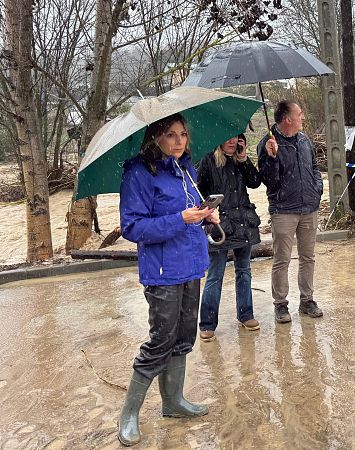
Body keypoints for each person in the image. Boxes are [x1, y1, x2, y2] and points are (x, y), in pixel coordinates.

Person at [117, 113, 219, 446]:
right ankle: (129, 414)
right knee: (161, 340)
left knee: (184, 337)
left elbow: (191, 211)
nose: (178, 141)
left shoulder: (186, 169)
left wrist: (205, 216)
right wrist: (180, 218)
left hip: (192, 264)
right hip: (162, 271)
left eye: (183, 135)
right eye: (170, 135)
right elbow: (132, 228)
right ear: (155, 137)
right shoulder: (138, 173)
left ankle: (173, 402)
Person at [257, 100, 324, 323]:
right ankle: (281, 305)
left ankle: (307, 300)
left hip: (309, 207)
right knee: (282, 259)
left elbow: (314, 166)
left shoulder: (304, 140)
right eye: (299, 114)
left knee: (308, 257)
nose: (302, 117)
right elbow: (269, 181)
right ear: (288, 119)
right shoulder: (268, 143)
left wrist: (317, 189)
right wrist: (271, 157)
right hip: (284, 210)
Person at [196, 133, 266, 342]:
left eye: (236, 138)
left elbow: (255, 182)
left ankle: (246, 314)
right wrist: (207, 213)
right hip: (220, 225)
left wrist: (244, 160)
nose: (232, 141)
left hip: (243, 223)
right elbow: (197, 192)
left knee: (244, 271)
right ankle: (207, 323)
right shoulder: (208, 160)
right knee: (215, 275)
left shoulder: (239, 159)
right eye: (227, 138)